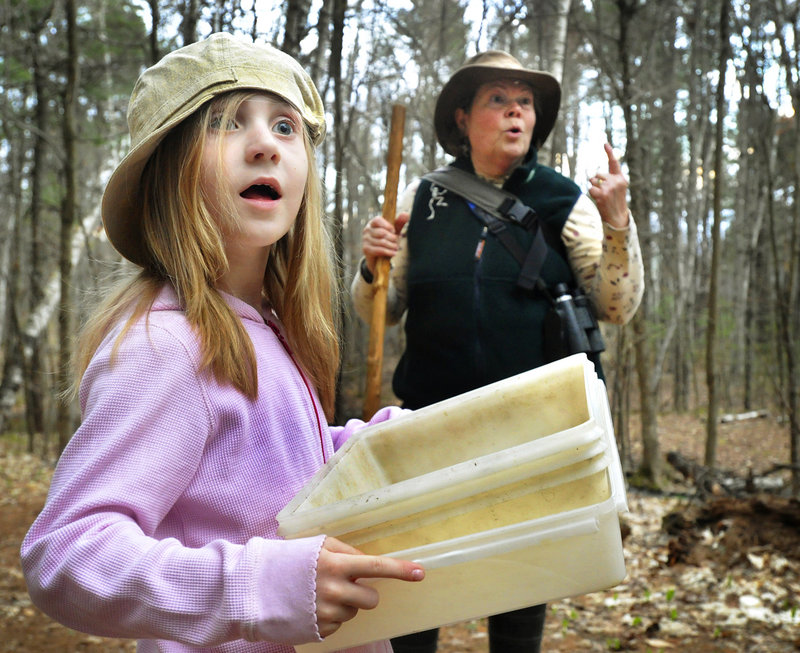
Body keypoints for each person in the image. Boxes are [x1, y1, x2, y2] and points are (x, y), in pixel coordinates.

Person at [20, 33, 424, 653]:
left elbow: (267, 467)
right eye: (225, 123)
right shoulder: (170, 344)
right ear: (167, 175)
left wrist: (362, 447)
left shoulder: (265, 326)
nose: (264, 143)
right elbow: (67, 556)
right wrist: (259, 587)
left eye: (285, 126)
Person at [351, 51, 644, 653]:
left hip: (529, 426)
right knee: (416, 571)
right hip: (429, 422)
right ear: (463, 118)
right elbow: (380, 306)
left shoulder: (563, 198)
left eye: (526, 102)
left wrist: (618, 224)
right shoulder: (425, 198)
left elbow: (617, 305)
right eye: (497, 99)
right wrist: (370, 264)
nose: (516, 110)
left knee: (519, 576)